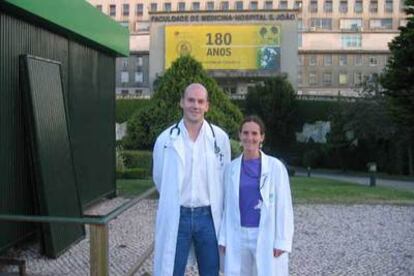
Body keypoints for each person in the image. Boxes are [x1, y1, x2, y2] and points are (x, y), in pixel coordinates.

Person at [152, 83, 231, 276]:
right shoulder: (165, 140)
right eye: (191, 100)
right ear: (182, 102)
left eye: (200, 101)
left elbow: (225, 177)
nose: (195, 105)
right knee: (172, 270)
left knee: (211, 270)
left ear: (207, 106)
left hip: (209, 218)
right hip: (178, 216)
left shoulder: (219, 138)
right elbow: (159, 177)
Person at [218, 115, 294, 276]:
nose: (250, 137)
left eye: (254, 133)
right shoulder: (230, 169)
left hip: (266, 233)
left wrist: (282, 240)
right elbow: (226, 207)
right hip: (237, 234)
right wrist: (224, 238)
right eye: (245, 133)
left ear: (262, 137)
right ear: (239, 135)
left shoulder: (276, 167)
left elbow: (284, 206)